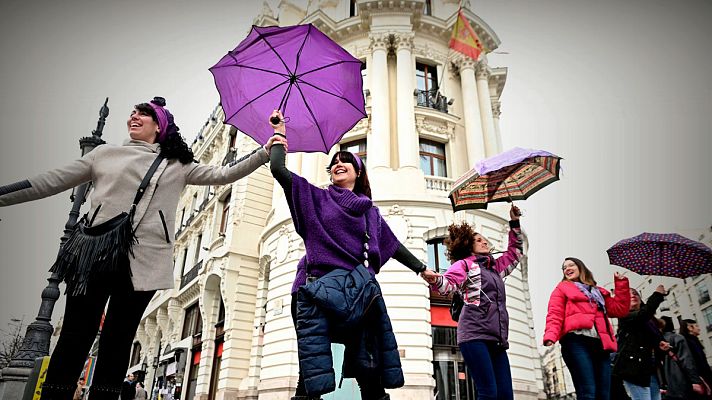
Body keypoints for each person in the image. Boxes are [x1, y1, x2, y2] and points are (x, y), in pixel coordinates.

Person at [0, 97, 286, 400]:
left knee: (118, 339)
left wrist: (266, 151)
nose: (135, 116)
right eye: (134, 112)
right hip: (93, 254)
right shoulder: (104, 154)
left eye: (145, 114)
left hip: (143, 261)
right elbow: (51, 180)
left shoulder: (177, 165)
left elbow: (223, 174)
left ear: (159, 125)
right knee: (74, 335)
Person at [268, 110, 430, 400]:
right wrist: (280, 133)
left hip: (357, 296)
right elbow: (279, 171)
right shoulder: (313, 198)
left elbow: (394, 246)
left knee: (369, 372)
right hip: (316, 291)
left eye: (346, 161)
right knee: (311, 376)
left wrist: (423, 269)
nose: (338, 163)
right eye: (333, 163)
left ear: (358, 172)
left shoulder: (370, 212)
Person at [421, 207, 525, 400]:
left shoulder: (496, 268)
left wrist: (514, 222)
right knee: (488, 392)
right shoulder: (465, 265)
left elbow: (516, 252)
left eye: (485, 239)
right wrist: (434, 279)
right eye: (478, 240)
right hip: (474, 335)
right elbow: (448, 284)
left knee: (505, 395)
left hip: (497, 338)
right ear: (468, 245)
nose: (484, 241)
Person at [542, 258, 631, 400]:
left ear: (581, 267)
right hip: (576, 342)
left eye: (571, 265)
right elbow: (555, 314)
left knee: (604, 394)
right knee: (588, 392)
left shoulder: (598, 292)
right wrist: (550, 335)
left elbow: (619, 310)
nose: (567, 269)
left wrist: (621, 284)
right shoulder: (562, 289)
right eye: (564, 268)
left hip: (600, 344)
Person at [612, 286, 667, 400]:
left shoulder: (649, 322)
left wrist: (660, 346)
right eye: (629, 294)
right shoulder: (625, 316)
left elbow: (652, 342)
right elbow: (643, 314)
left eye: (635, 293)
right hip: (633, 369)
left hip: (650, 368)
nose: (633, 295)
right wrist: (657, 295)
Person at [660, 316, 705, 399]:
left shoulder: (657, 341)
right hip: (683, 382)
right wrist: (695, 381)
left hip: (668, 387)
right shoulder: (677, 338)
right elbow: (686, 361)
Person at [680, 318, 712, 398]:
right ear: (689, 328)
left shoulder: (693, 341)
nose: (699, 328)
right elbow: (697, 363)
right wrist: (703, 380)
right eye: (696, 326)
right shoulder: (689, 343)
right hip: (700, 381)